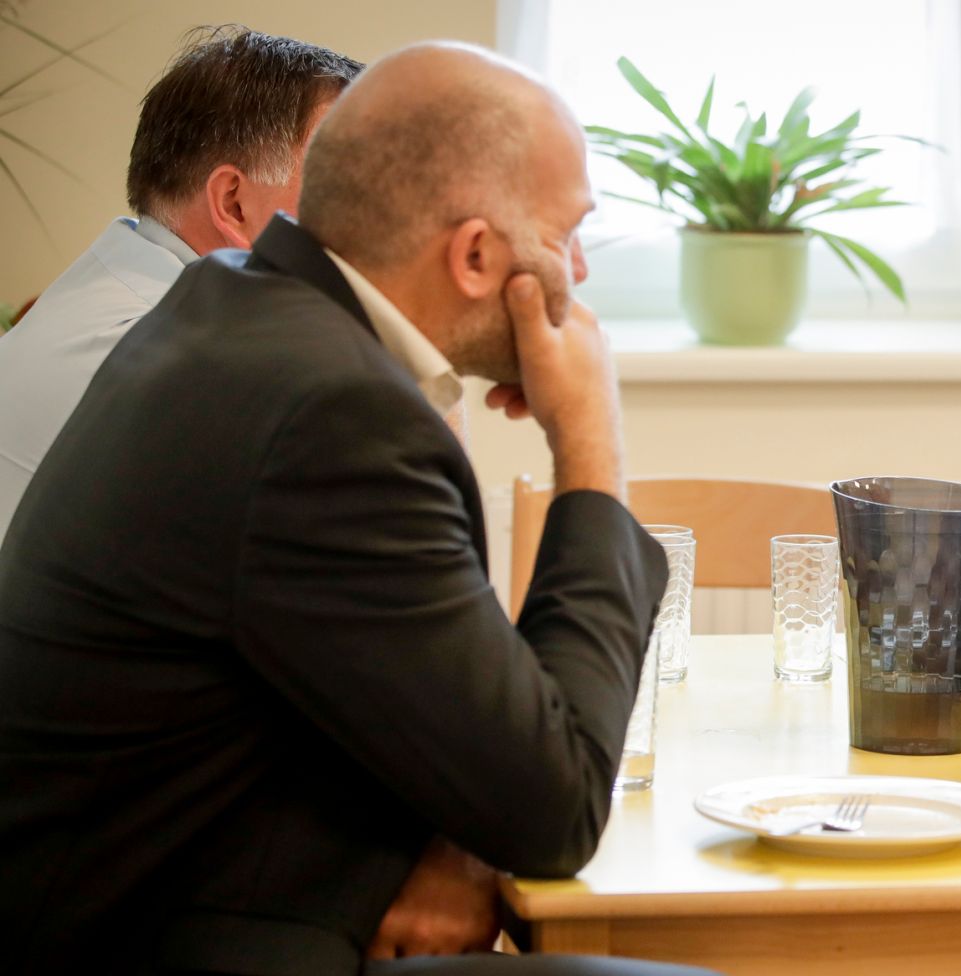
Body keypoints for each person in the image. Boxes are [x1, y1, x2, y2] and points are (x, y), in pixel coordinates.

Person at [0, 42, 714, 976]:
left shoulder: (229, 309)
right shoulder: (333, 414)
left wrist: (458, 833)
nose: (578, 267)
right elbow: (556, 807)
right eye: (568, 230)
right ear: (474, 256)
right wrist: (593, 444)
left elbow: (450, 697)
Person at [0, 26, 363, 541]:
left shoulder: (109, 286)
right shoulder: (180, 366)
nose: (370, 222)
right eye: (341, 183)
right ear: (234, 203)